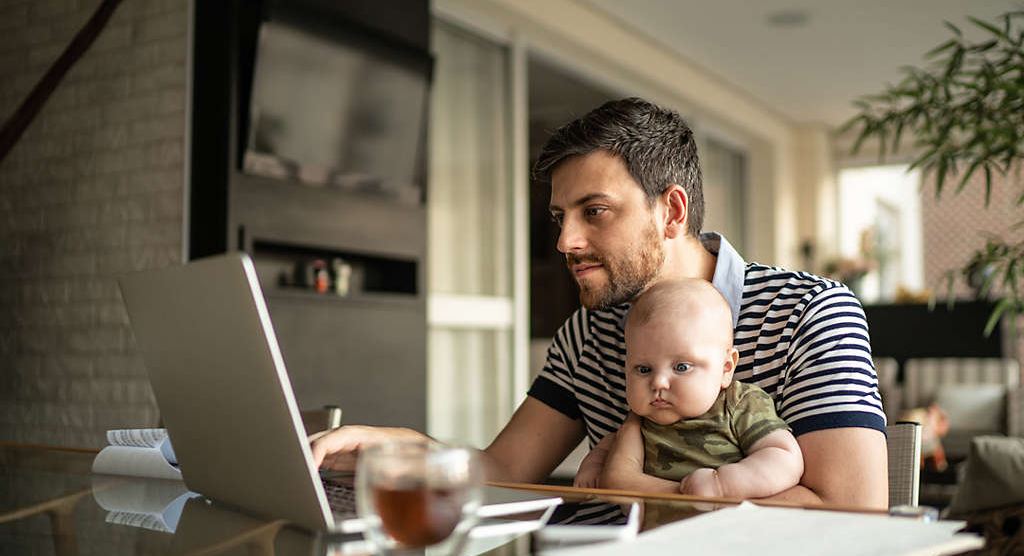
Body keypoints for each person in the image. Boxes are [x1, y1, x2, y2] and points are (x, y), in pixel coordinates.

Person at [311, 97, 889, 508]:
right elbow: (506, 471)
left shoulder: (809, 311)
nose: (565, 241)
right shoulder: (585, 337)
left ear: (672, 212)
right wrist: (406, 449)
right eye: (561, 217)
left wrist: (654, 493)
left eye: (595, 211)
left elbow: (855, 512)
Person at [595, 277, 803, 498]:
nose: (658, 382)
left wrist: (723, 485)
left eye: (682, 367)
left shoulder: (739, 404)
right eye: (644, 369)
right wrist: (595, 463)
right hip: (654, 531)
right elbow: (612, 454)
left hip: (724, 526)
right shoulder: (640, 419)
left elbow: (784, 456)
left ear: (726, 368)